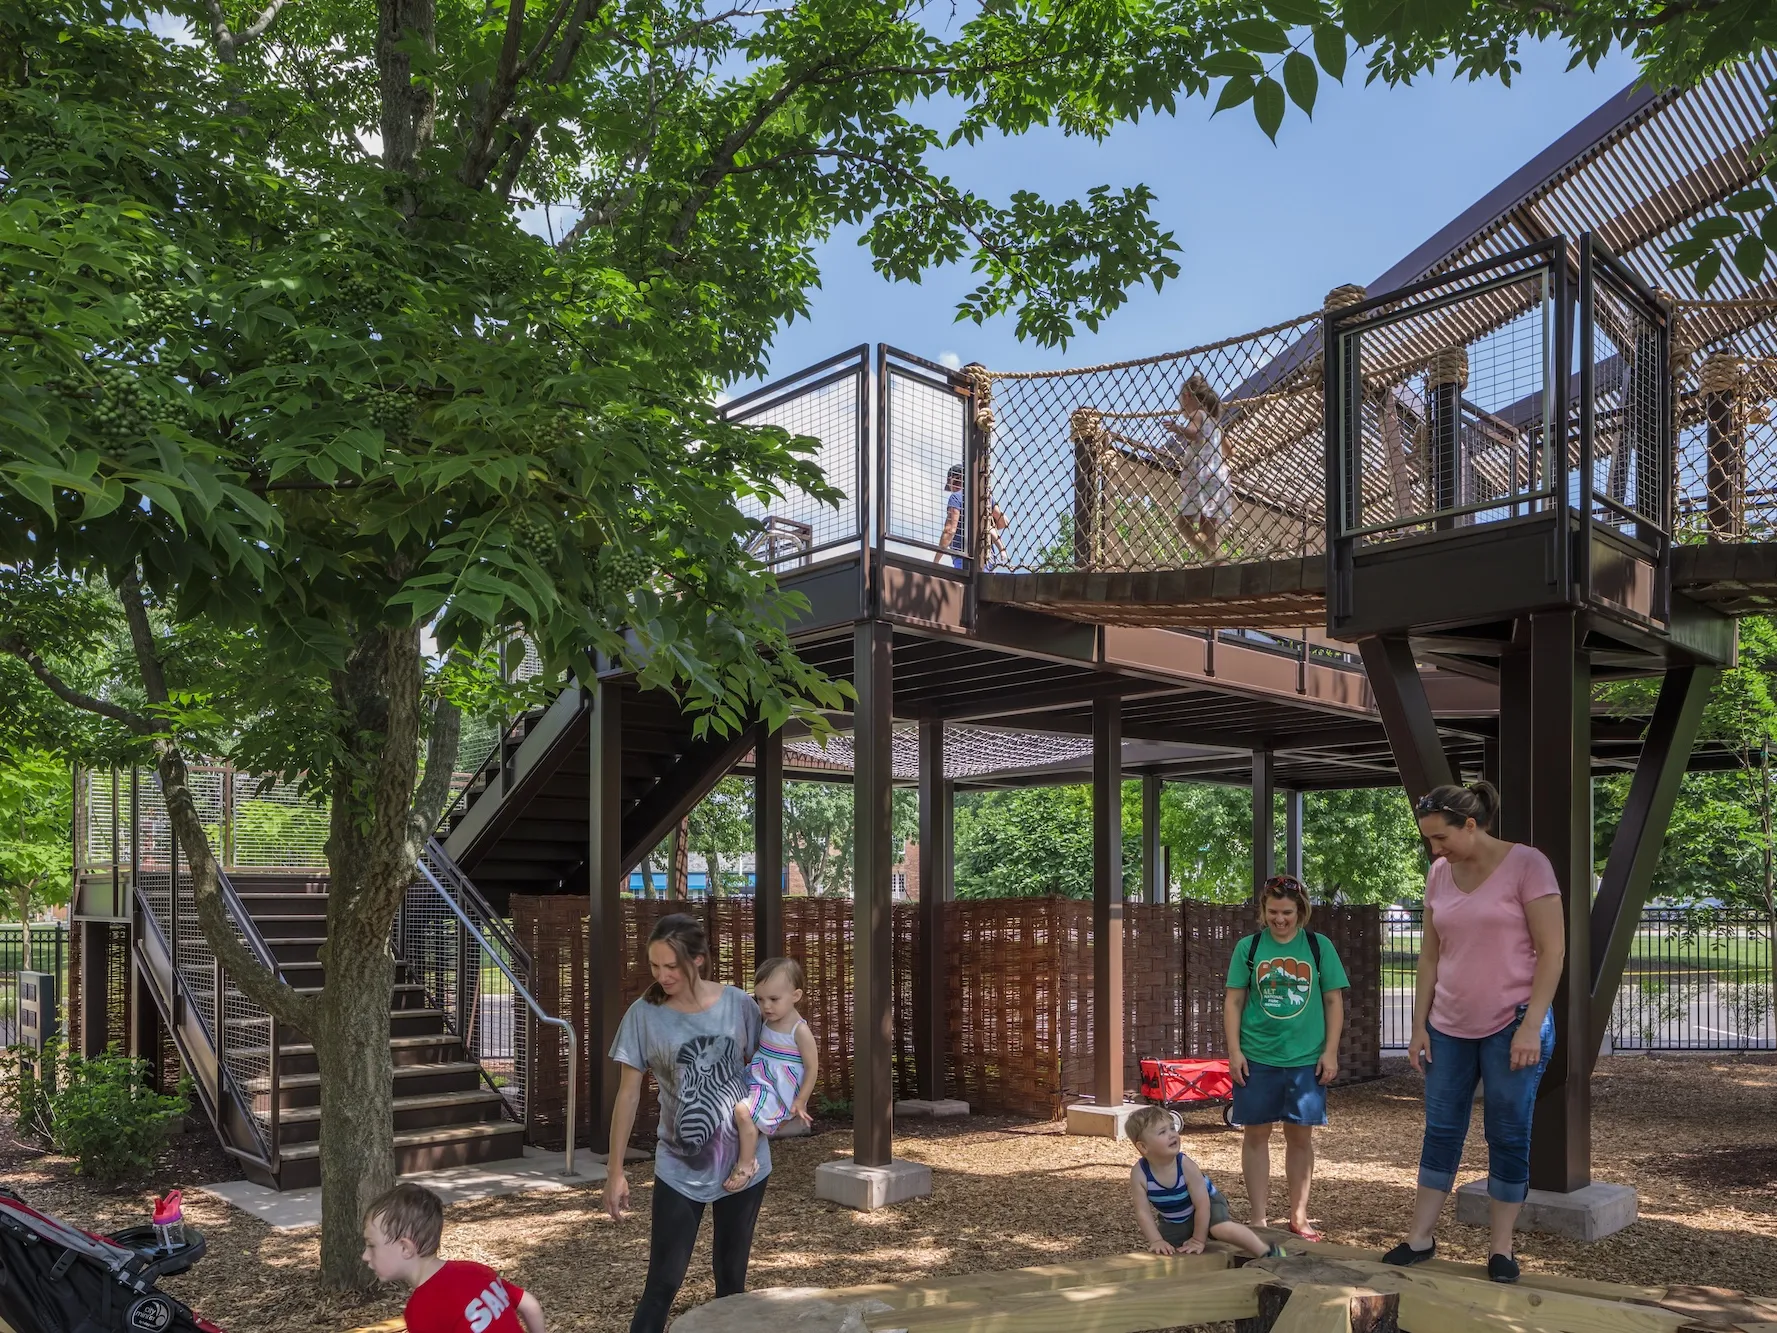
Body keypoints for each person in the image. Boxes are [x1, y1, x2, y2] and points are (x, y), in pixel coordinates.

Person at [1382, 781, 1565, 1285]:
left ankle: (1501, 1248)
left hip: (1513, 1024)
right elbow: (1430, 955)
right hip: (1447, 1026)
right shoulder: (1439, 873)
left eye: (1441, 838)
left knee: (1507, 1133)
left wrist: (1532, 1026)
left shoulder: (1528, 865)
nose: (1434, 850)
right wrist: (1418, 1026)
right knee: (1441, 1130)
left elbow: (1552, 952)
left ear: (1470, 824)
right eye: (1428, 841)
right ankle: (1420, 1237)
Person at [606, 914, 769, 1333]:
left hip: (743, 1167)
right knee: (661, 1284)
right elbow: (628, 1095)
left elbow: (767, 1068)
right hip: (678, 1167)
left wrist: (774, 1115)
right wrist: (615, 1171)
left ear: (698, 960)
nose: (662, 976)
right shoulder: (643, 1015)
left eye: (671, 966)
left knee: (731, 1284)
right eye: (654, 965)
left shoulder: (739, 1005)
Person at [1224, 874, 1349, 1244]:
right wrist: (1234, 1052)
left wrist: (1330, 1051)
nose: (1280, 919)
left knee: (1300, 1137)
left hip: (1305, 1059)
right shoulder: (1248, 948)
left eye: (1287, 913)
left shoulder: (1318, 946)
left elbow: (1333, 1001)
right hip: (1257, 1056)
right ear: (1263, 910)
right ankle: (1259, 1218)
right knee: (1256, 1134)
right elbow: (1233, 1001)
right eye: (1273, 912)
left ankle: (1299, 1215)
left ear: (1301, 912)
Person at [362, 1183, 547, 1333]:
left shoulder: (423, 1309)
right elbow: (530, 1306)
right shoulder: (476, 1271)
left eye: (371, 1245)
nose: (365, 1256)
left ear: (405, 1248)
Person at [1125, 1105, 1283, 1259]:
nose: (1172, 1134)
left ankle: (1265, 1250)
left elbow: (1202, 1205)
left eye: (1172, 1128)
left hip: (1209, 1202)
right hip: (1175, 1217)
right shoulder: (1140, 1174)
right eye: (1162, 1132)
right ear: (1143, 1147)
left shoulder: (1185, 1166)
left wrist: (1198, 1240)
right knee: (1167, 1249)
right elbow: (1143, 1213)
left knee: (1220, 1229)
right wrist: (1156, 1241)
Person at [726, 956, 819, 1192]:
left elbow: (812, 1067)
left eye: (774, 999)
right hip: (759, 1076)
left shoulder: (799, 1030)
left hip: (778, 1088)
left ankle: (747, 1163)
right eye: (760, 999)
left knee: (743, 1112)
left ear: (796, 996)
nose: (766, 1006)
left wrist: (801, 1100)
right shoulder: (768, 1020)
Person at [1163, 371, 1231, 559]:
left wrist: (1177, 428)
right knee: (1207, 530)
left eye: (1181, 402)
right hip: (1219, 479)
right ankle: (1216, 560)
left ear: (1187, 396)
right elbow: (1230, 451)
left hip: (1202, 478)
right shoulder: (1216, 423)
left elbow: (1194, 433)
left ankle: (1212, 557)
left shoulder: (1197, 414)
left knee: (1183, 525)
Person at [936, 463, 1009, 569]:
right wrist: (987, 526)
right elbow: (1003, 522)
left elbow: (950, 530)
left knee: (966, 579)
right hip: (986, 557)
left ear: (954, 481)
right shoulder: (984, 496)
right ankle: (1002, 551)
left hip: (963, 557)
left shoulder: (956, 497)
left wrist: (936, 560)